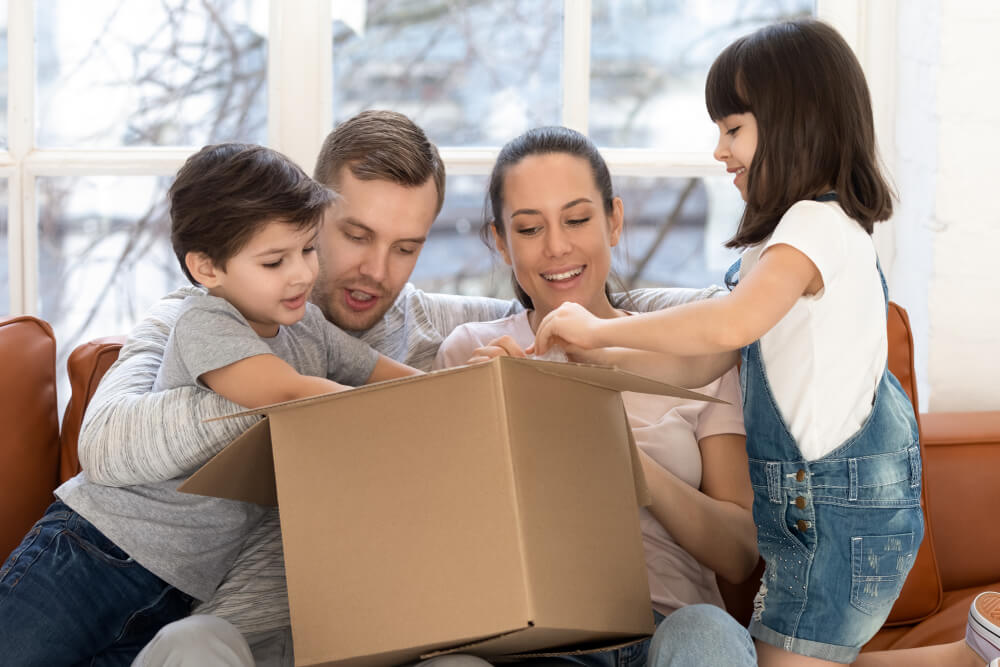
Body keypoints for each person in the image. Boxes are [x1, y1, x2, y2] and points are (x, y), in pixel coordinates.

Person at [64, 111, 702, 667]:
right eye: (356, 236)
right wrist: (278, 396)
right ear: (310, 217)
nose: (376, 270)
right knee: (197, 644)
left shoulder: (437, 331)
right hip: (229, 635)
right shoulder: (207, 310)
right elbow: (108, 446)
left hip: (380, 640)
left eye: (406, 248)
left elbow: (576, 294)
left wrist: (654, 318)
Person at [532, 18, 997, 667]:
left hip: (842, 512)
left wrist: (604, 329)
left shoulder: (816, 228)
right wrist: (599, 355)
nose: (720, 151)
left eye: (732, 128)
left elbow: (726, 325)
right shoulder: (771, 251)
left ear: (790, 123)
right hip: (806, 516)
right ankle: (971, 658)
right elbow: (699, 361)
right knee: (781, 658)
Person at [0, 142, 421, 666]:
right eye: (274, 260)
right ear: (207, 268)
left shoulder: (306, 326)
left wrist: (456, 391)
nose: (301, 275)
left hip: (174, 590)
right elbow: (287, 392)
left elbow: (387, 375)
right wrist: (400, 422)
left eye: (308, 250)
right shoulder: (207, 322)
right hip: (95, 551)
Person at [432, 125, 759, 667]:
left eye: (578, 219)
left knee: (706, 633)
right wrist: (487, 412)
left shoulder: (694, 356)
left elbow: (738, 552)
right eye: (530, 228)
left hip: (672, 630)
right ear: (499, 241)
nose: (557, 246)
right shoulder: (472, 352)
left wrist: (626, 461)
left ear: (613, 221)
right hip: (546, 632)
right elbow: (441, 544)